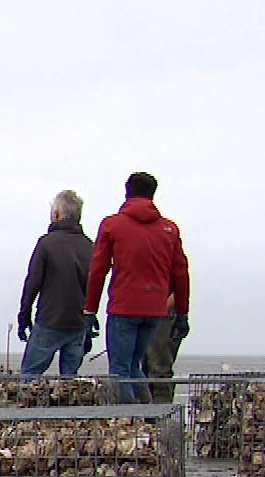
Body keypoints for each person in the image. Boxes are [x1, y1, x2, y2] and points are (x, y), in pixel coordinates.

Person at [83, 172, 190, 403]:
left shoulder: (112, 225)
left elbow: (98, 271)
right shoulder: (169, 229)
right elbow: (181, 273)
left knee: (120, 368)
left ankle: (130, 416)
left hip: (124, 306)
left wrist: (89, 309)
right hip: (154, 310)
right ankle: (149, 415)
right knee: (134, 365)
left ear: (127, 192)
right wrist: (182, 313)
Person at [16, 190, 93, 377]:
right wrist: (90, 319)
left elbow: (32, 282)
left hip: (50, 319)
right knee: (69, 380)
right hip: (78, 321)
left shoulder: (46, 244)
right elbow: (92, 286)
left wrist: (24, 315)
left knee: (30, 375)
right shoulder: (89, 246)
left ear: (56, 214)